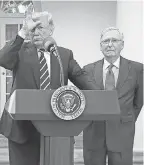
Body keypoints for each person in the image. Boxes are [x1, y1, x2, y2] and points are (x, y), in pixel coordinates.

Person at [0, 5, 98, 165]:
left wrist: (103, 97)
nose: (35, 32)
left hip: (56, 127)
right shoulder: (19, 51)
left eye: (40, 28)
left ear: (51, 29)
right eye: (32, 29)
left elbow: (82, 79)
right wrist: (23, 31)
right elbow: (3, 59)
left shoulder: (63, 54)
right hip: (22, 128)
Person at [83, 27, 143, 165]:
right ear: (100, 46)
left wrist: (126, 118)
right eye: (105, 41)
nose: (109, 44)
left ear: (122, 44)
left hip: (122, 132)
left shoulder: (137, 69)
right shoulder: (88, 70)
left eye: (114, 40)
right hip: (94, 132)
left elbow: (138, 102)